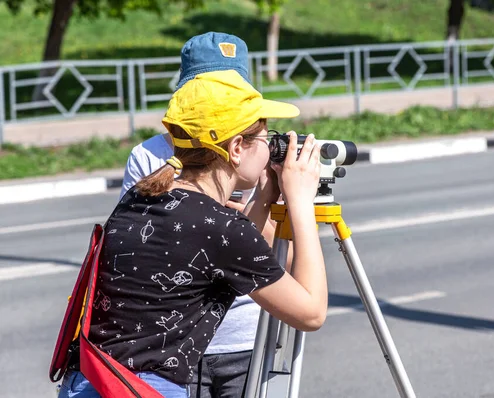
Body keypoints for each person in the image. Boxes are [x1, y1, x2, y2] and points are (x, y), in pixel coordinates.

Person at [57, 46, 327, 398]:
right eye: (265, 137)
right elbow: (311, 313)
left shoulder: (140, 197)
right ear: (236, 149)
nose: (271, 146)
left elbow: (224, 251)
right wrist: (301, 202)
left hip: (91, 382)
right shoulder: (220, 228)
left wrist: (264, 198)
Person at [116, 32, 287, 398]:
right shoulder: (149, 157)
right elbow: (149, 251)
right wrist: (219, 223)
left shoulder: (257, 149)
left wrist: (244, 223)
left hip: (245, 332)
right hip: (181, 338)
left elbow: (275, 251)